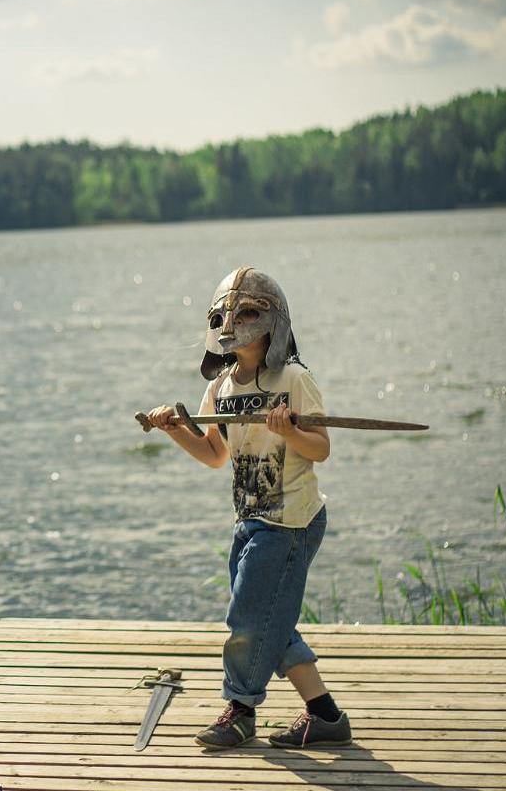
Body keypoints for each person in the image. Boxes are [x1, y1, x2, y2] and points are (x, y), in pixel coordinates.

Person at [143, 266, 350, 750]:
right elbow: (216, 455)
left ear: (273, 322)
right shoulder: (220, 389)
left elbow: (320, 449)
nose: (233, 323)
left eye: (248, 312)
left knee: (247, 619)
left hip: (292, 521)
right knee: (268, 619)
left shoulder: (294, 379)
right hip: (250, 521)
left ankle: (239, 710)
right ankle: (326, 716)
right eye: (224, 315)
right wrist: (177, 429)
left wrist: (290, 431)